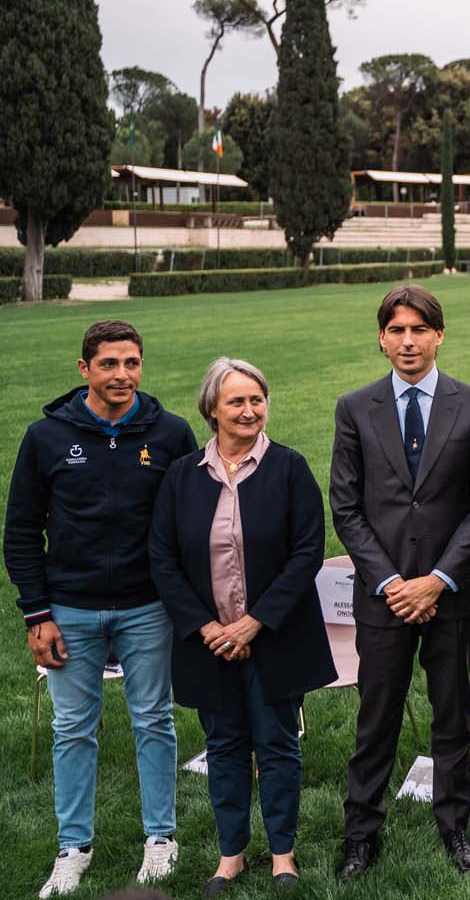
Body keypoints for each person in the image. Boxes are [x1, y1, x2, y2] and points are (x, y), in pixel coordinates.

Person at [4, 320, 197, 898]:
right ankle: (73, 848)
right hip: (69, 610)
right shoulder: (45, 437)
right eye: (109, 363)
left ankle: (160, 840)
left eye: (132, 363)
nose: (122, 374)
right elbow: (19, 531)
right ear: (83, 368)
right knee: (72, 730)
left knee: (154, 721)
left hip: (147, 608)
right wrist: (37, 614)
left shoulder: (170, 434)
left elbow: (190, 523)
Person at [329, 285, 470, 878]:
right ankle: (360, 834)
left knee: (452, 714)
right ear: (382, 337)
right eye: (397, 330)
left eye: (419, 329)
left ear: (439, 335)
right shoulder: (355, 407)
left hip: (452, 596)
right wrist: (393, 582)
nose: (408, 340)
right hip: (383, 597)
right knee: (377, 714)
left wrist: (438, 581)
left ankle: (455, 829)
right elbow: (347, 509)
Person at [146, 358, 337, 891]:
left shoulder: (290, 468)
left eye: (257, 399)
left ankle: (282, 854)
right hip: (209, 643)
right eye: (237, 401)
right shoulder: (183, 476)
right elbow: (162, 557)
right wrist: (206, 628)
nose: (250, 410)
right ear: (212, 410)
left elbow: (306, 554)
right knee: (225, 745)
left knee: (278, 744)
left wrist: (254, 623)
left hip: (273, 638)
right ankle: (231, 854)